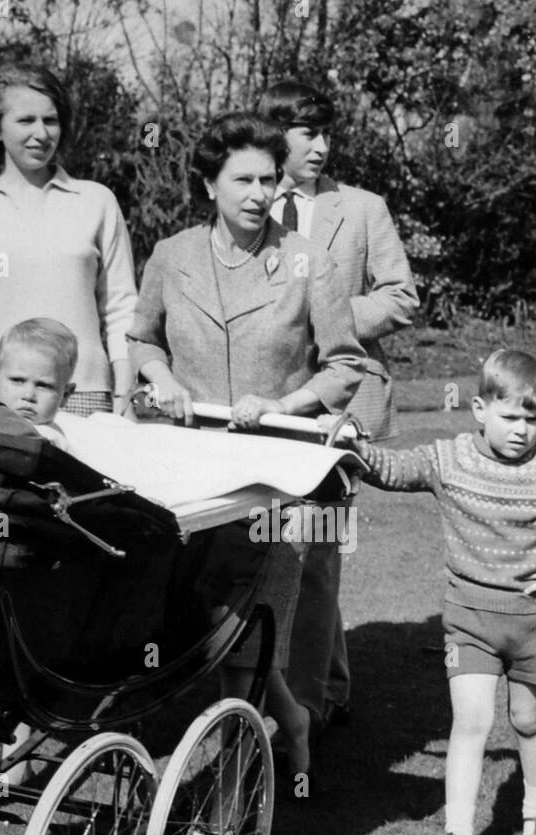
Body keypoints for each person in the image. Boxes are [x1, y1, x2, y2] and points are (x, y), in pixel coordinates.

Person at [126, 111, 366, 790]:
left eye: (270, 178)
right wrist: (162, 378)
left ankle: (229, 803)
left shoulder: (306, 259)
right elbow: (142, 338)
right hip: (190, 474)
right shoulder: (172, 256)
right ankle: (284, 721)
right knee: (202, 623)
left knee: (252, 635)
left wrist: (285, 406)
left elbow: (344, 364)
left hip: (279, 478)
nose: (260, 192)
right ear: (209, 184)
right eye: (244, 179)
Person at [353, 350, 536, 835]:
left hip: (532, 623)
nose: (522, 430)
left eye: (532, 418)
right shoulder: (448, 459)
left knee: (527, 720)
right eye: (510, 416)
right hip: (467, 619)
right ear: (479, 408)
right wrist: (350, 447)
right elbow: (393, 469)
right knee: (470, 722)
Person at [258, 80, 420, 739]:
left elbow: (401, 297)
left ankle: (307, 709)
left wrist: (328, 314)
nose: (322, 146)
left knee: (318, 546)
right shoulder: (248, 201)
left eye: (327, 132)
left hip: (338, 399)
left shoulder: (363, 209)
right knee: (271, 547)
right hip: (262, 399)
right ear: (275, 137)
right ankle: (328, 684)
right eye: (307, 133)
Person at [0, 63, 137, 416]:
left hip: (80, 393)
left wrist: (124, 396)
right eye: (25, 121)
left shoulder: (97, 202)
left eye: (50, 121)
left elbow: (121, 310)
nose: (41, 133)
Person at [0, 317, 86, 448]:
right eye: (18, 380)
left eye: (44, 386)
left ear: (65, 395)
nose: (28, 396)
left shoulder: (50, 441)